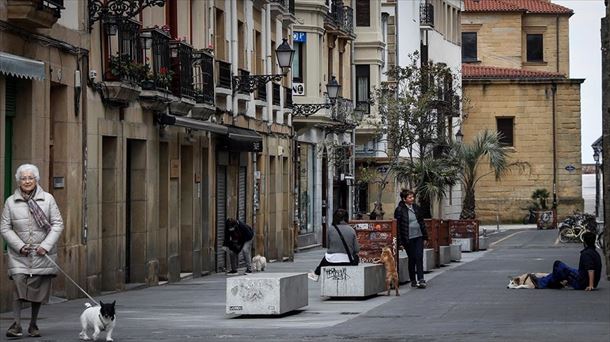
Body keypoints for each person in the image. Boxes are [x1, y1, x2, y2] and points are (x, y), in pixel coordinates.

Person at [1, 164, 64, 338]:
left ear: (36, 180)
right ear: (18, 181)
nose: (27, 181)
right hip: (20, 255)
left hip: (42, 253)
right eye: (23, 178)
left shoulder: (48, 199)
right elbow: (5, 227)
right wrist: (19, 246)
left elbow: (58, 224)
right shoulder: (10, 202)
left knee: (38, 290)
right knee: (18, 286)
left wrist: (46, 245)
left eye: (30, 178)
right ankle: (16, 325)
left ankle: (33, 324)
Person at [530, 231, 602, 290]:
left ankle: (541, 283)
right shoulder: (595, 253)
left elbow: (590, 269)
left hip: (582, 283)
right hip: (584, 278)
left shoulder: (586, 254)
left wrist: (590, 285)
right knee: (561, 271)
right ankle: (551, 282)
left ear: (585, 243)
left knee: (558, 264)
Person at [308, 208, 359, 281]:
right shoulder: (351, 230)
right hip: (347, 260)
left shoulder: (330, 229)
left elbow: (328, 246)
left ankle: (316, 274)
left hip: (331, 260)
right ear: (346, 218)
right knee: (356, 257)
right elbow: (357, 249)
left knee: (325, 257)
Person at [394, 189, 428, 289]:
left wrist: (425, 236)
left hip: (419, 236)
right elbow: (398, 227)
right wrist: (400, 242)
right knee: (412, 258)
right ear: (404, 199)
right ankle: (413, 279)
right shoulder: (399, 210)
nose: (412, 199)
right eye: (410, 197)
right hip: (407, 238)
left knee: (419, 256)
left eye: (413, 197)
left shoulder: (416, 208)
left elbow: (421, 222)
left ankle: (421, 279)